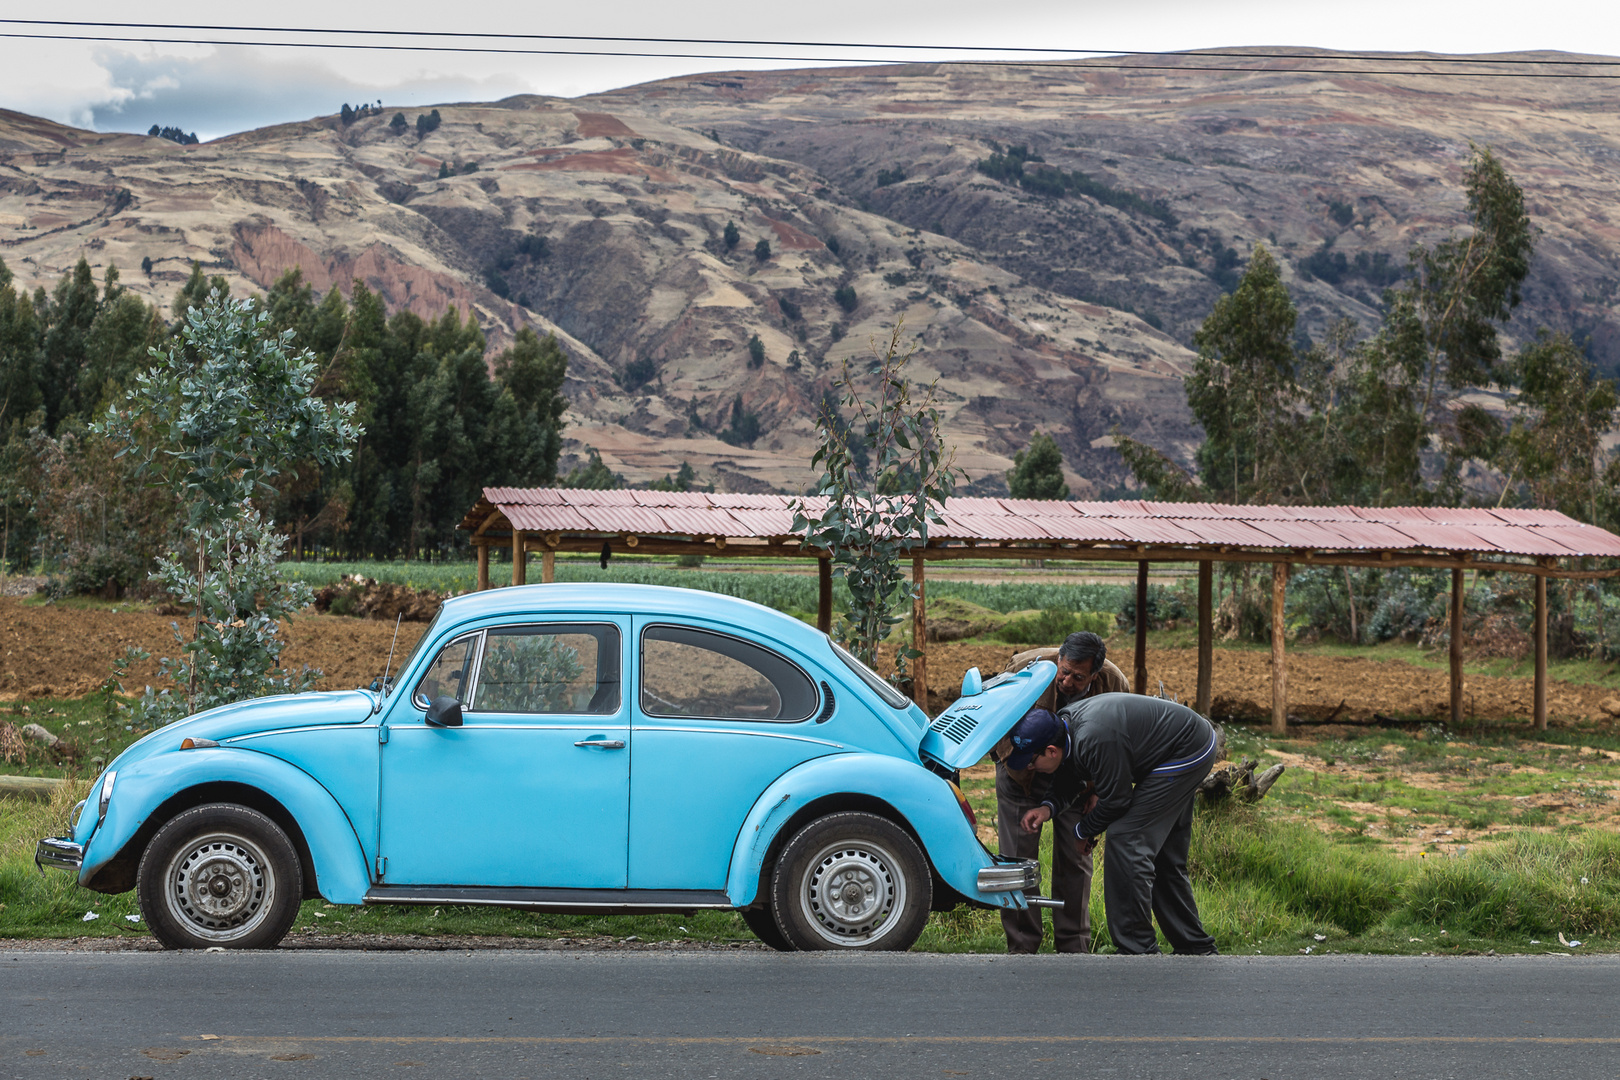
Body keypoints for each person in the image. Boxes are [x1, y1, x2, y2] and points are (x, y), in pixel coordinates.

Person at [1014, 693, 1219, 955]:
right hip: (1179, 746)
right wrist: (1047, 808)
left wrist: (1082, 831)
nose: (1030, 768)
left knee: (1127, 840)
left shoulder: (1094, 738)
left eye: (1031, 762)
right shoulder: (1065, 728)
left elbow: (1116, 801)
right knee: (1164, 857)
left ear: (1051, 751)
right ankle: (1194, 947)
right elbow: (1069, 775)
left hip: (1187, 750)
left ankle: (1137, 949)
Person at [993, 631, 1128, 954]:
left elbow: (1114, 742)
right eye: (1063, 671)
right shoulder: (1024, 667)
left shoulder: (1114, 684)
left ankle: (1073, 946)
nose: (1067, 682)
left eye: (1078, 678)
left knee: (1076, 860)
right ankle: (1023, 946)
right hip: (1021, 774)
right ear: (1059, 659)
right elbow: (994, 718)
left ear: (1095, 675)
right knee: (1017, 862)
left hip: (1079, 780)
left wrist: (1096, 789)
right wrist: (1013, 760)